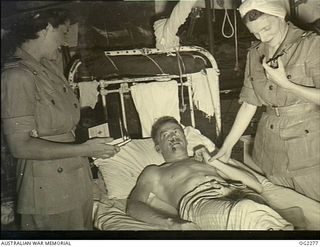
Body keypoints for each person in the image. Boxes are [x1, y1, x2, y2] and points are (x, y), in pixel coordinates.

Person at [1, 8, 120, 230]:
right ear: (46, 28)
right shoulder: (16, 76)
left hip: (75, 181)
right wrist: (84, 149)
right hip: (49, 193)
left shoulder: (48, 68)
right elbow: (20, 146)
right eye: (63, 32)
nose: (65, 42)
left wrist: (92, 147)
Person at [211, 0, 320, 202]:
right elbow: (249, 104)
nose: (262, 36)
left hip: (309, 148)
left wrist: (287, 85)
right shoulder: (255, 53)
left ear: (280, 16)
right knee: (288, 209)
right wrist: (226, 148)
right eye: (255, 33)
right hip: (270, 148)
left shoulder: (311, 45)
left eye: (266, 28)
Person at [126, 116, 293, 230]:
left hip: (235, 190)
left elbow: (256, 185)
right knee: (247, 210)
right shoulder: (154, 172)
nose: (173, 137)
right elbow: (133, 206)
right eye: (165, 135)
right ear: (157, 147)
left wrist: (214, 162)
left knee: (254, 208)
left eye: (176, 131)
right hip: (199, 200)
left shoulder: (207, 159)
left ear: (185, 138)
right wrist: (172, 223)